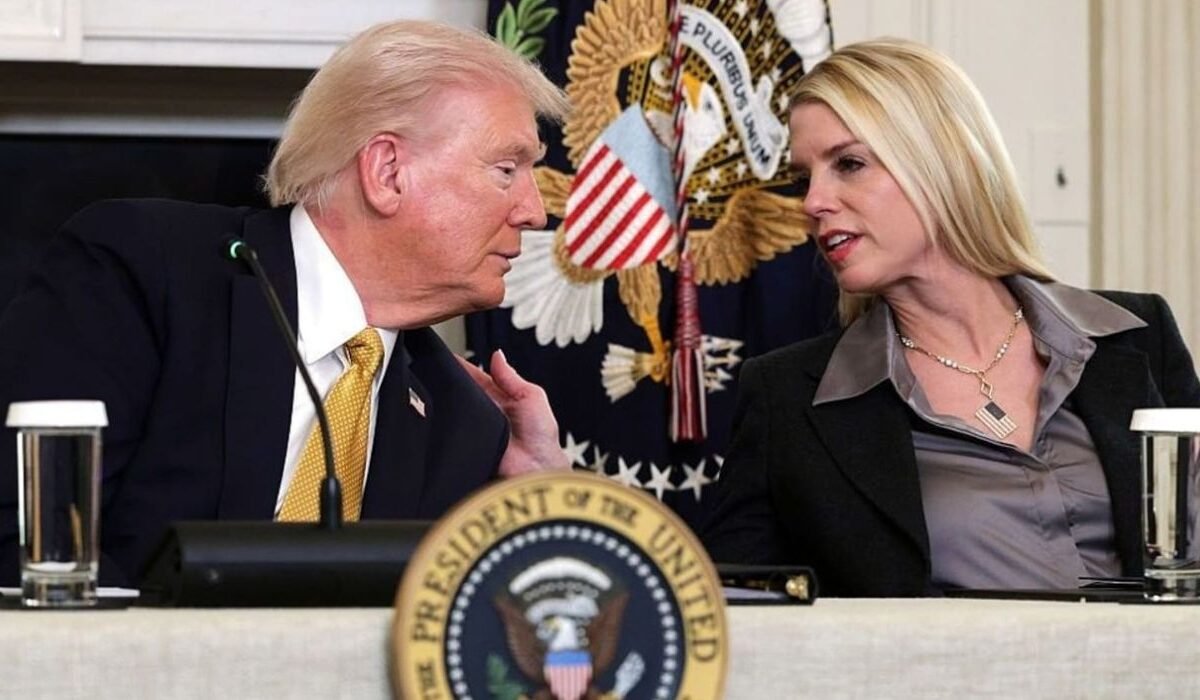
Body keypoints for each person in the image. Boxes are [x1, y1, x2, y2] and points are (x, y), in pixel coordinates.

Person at [0, 20, 573, 587]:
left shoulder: (463, 424)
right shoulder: (142, 271)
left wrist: (543, 494)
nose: (535, 211)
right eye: (506, 170)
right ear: (387, 172)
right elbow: (25, 536)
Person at [701, 39, 1200, 597]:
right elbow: (729, 606)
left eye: (849, 164)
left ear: (942, 162)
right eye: (804, 179)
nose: (813, 202)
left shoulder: (1140, 334)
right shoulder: (786, 399)